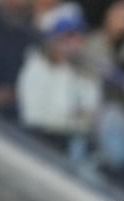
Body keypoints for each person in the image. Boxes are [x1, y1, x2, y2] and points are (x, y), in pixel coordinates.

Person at [16, 3, 102, 151]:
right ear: (55, 37)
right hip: (35, 137)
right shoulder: (36, 64)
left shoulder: (84, 73)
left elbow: (91, 115)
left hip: (68, 142)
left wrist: (74, 118)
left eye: (78, 36)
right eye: (69, 36)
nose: (75, 42)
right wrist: (71, 117)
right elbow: (32, 114)